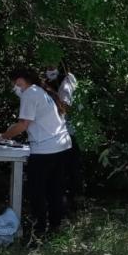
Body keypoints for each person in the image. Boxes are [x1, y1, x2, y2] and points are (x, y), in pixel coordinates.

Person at [0, 67, 71, 245]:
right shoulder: (42, 91)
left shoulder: (29, 93)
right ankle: (55, 227)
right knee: (55, 190)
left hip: (45, 150)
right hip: (60, 146)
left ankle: (39, 231)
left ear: (20, 80)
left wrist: (1, 137)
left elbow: (23, 124)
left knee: (37, 191)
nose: (14, 87)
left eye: (14, 83)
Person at [44, 63, 82, 210]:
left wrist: (50, 94)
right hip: (59, 134)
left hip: (68, 134)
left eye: (51, 67)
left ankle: (68, 202)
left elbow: (65, 108)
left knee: (68, 170)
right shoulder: (56, 82)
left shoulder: (66, 82)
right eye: (47, 68)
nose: (49, 71)